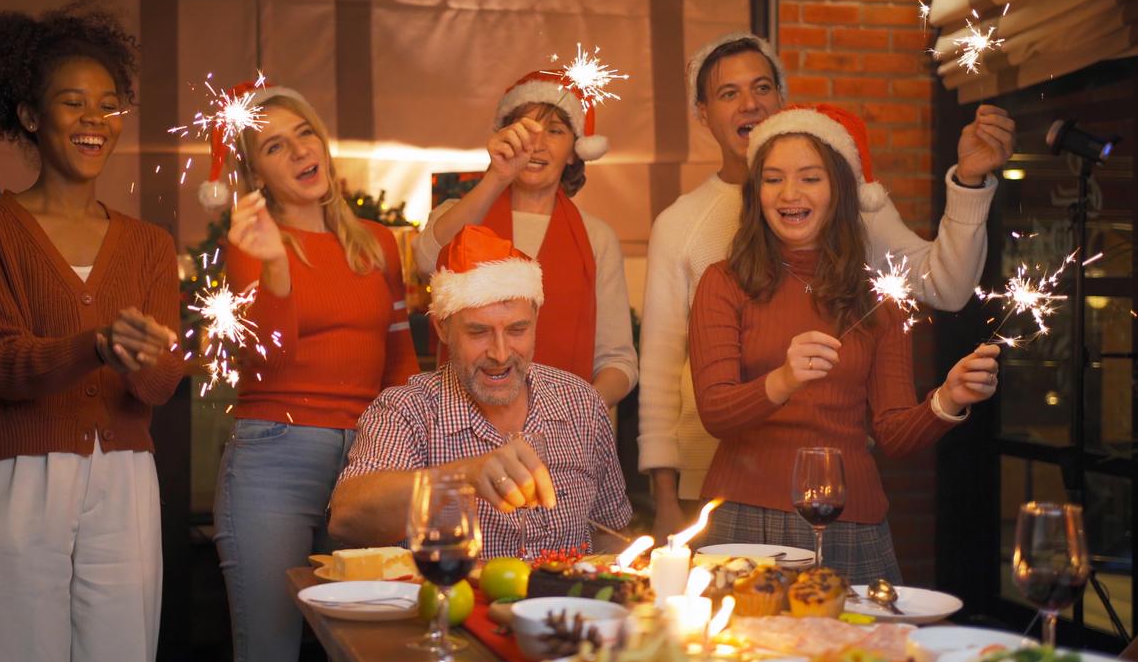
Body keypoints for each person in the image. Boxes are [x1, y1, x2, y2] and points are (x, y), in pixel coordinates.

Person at [638, 33, 1016, 537]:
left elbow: (945, 286)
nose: (748, 103)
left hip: (836, 500)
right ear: (702, 112)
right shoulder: (683, 227)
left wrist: (968, 185)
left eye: (761, 87)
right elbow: (662, 370)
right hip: (713, 481)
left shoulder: (858, 215)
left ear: (782, 99)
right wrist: (663, 496)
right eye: (728, 93)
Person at [0, 2, 183, 662]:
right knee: (10, 658)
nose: (95, 121)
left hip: (124, 477)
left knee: (119, 659)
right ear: (29, 114)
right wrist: (97, 343)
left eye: (109, 107)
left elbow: (162, 384)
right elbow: (0, 365)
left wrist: (145, 358)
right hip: (20, 473)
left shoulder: (148, 244)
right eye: (73, 103)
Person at [688, 106, 1000, 584]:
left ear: (839, 189)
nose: (789, 194)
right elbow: (715, 413)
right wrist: (783, 379)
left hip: (850, 523)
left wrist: (948, 399)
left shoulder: (877, 296)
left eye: (809, 178)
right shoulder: (725, 282)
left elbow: (893, 435)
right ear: (756, 194)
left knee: (859, 656)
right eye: (773, 179)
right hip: (744, 519)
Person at [210, 83, 419, 662]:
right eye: (275, 146)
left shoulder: (377, 243)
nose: (300, 151)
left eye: (304, 133)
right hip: (274, 454)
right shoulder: (250, 244)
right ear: (256, 175)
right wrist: (274, 264)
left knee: (368, 656)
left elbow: (399, 358)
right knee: (269, 661)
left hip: (371, 460)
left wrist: (404, 450)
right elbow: (266, 366)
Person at [330, 225, 631, 558]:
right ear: (442, 329)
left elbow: (611, 532)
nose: (500, 354)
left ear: (536, 319)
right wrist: (461, 477)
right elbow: (347, 519)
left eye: (517, 329)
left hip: (562, 608)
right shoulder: (406, 411)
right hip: (451, 608)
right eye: (478, 332)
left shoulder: (581, 403)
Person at [413, 70, 637, 408]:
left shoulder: (596, 237)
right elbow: (427, 262)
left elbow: (618, 360)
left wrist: (578, 412)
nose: (537, 143)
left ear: (575, 151)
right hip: (464, 421)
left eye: (555, 131)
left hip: (562, 428)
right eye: (525, 130)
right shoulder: (460, 213)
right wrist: (497, 177)